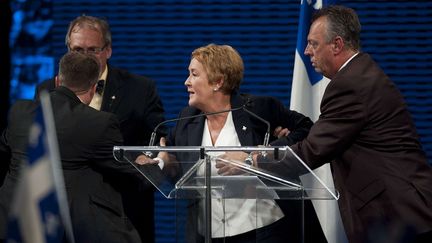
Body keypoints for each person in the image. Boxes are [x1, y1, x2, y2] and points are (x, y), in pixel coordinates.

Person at [271, 5, 432, 243]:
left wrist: (254, 160)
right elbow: (329, 135)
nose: (306, 51)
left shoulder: (350, 85)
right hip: (401, 213)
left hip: (398, 216)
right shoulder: (360, 74)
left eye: (313, 44)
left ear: (336, 45)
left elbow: (313, 151)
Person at [137, 44, 324, 243]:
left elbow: (306, 128)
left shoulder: (258, 110)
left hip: (266, 231)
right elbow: (171, 156)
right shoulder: (186, 119)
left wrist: (257, 156)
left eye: (194, 74)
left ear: (218, 81)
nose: (186, 82)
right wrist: (161, 160)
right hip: (210, 235)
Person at [35, 15, 165, 243]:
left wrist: (150, 158)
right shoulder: (46, 91)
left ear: (108, 50)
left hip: (124, 213)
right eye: (77, 50)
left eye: (92, 49)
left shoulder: (141, 89)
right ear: (67, 50)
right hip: (64, 216)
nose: (84, 57)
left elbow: (159, 137)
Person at [0, 52, 149, 242]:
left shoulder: (19, 112)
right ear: (94, 88)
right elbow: (122, 172)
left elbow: (4, 152)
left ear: (57, 81)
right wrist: (151, 164)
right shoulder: (99, 123)